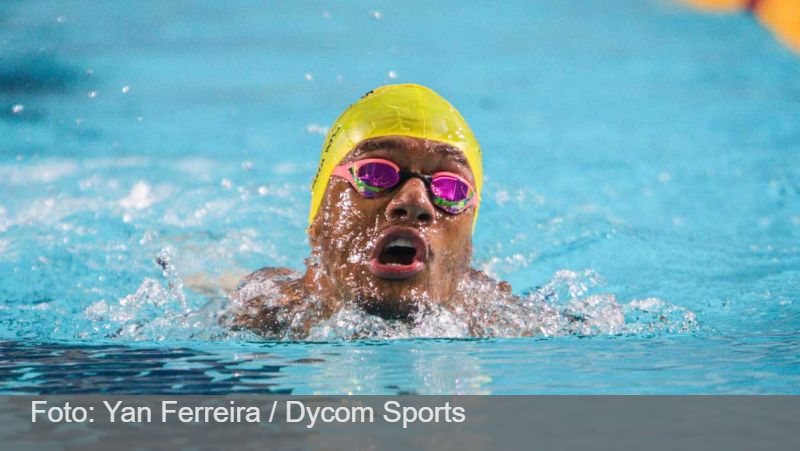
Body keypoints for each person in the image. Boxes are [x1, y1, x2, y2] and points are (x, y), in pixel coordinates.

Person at [229, 84, 518, 338]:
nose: (415, 201)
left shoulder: (504, 325)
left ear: (468, 248)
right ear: (318, 220)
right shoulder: (263, 316)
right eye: (375, 174)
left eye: (451, 189)